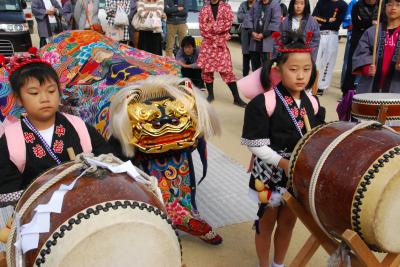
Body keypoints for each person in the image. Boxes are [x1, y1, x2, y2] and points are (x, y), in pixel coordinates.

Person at [241, 31, 325, 267]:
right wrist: (284, 163)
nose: (301, 76)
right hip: (268, 173)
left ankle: (279, 264)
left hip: (296, 174)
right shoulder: (264, 102)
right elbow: (254, 143)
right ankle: (264, 265)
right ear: (278, 70)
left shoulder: (313, 103)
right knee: (265, 221)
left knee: (288, 221)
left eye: (306, 69)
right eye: (294, 69)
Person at [0, 49, 114, 207]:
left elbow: (110, 160)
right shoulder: (12, 138)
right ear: (19, 99)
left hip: (87, 204)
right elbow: (7, 190)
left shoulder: (78, 126)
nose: (45, 98)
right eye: (34, 93)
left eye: (51, 91)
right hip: (37, 212)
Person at [197, 0, 247, 107]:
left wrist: (212, 26)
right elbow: (202, 29)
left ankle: (237, 98)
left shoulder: (226, 7)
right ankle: (211, 95)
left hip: (221, 45)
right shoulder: (204, 9)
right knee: (207, 71)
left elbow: (227, 24)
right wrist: (217, 29)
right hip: (208, 45)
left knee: (227, 71)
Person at [352, 0, 400, 93]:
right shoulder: (372, 31)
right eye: (389, 4)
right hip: (371, 85)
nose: (393, 8)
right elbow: (361, 52)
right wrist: (367, 67)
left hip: (396, 87)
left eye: (398, 5)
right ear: (384, 7)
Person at [341, 0, 378, 94]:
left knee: (372, 67)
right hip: (358, 40)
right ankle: (347, 92)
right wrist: (371, 23)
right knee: (352, 66)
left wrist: (368, 23)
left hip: (375, 40)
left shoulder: (380, 5)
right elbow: (357, 23)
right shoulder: (357, 5)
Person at [312, 0, 348, 95]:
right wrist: (328, 20)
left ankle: (321, 86)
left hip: (332, 35)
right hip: (318, 34)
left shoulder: (343, 5)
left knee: (328, 61)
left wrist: (321, 20)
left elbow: (336, 23)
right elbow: (314, 17)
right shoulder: (321, 2)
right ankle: (311, 84)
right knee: (315, 60)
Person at [243, 0, 282, 70]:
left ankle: (265, 80)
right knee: (255, 68)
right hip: (254, 41)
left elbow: (276, 22)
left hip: (267, 43)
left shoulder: (275, 5)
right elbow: (248, 17)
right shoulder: (256, 4)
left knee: (266, 69)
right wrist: (251, 32)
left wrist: (263, 35)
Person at [339, 0, 357, 89]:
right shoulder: (354, 2)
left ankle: (357, 86)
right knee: (349, 61)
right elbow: (347, 22)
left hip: (369, 37)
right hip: (354, 34)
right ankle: (345, 86)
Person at [237, 0, 255, 76]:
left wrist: (246, 16)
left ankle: (256, 77)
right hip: (245, 33)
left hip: (255, 32)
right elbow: (239, 17)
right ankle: (245, 75)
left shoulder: (259, 4)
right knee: (246, 55)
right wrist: (251, 16)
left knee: (255, 56)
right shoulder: (243, 4)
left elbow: (260, 17)